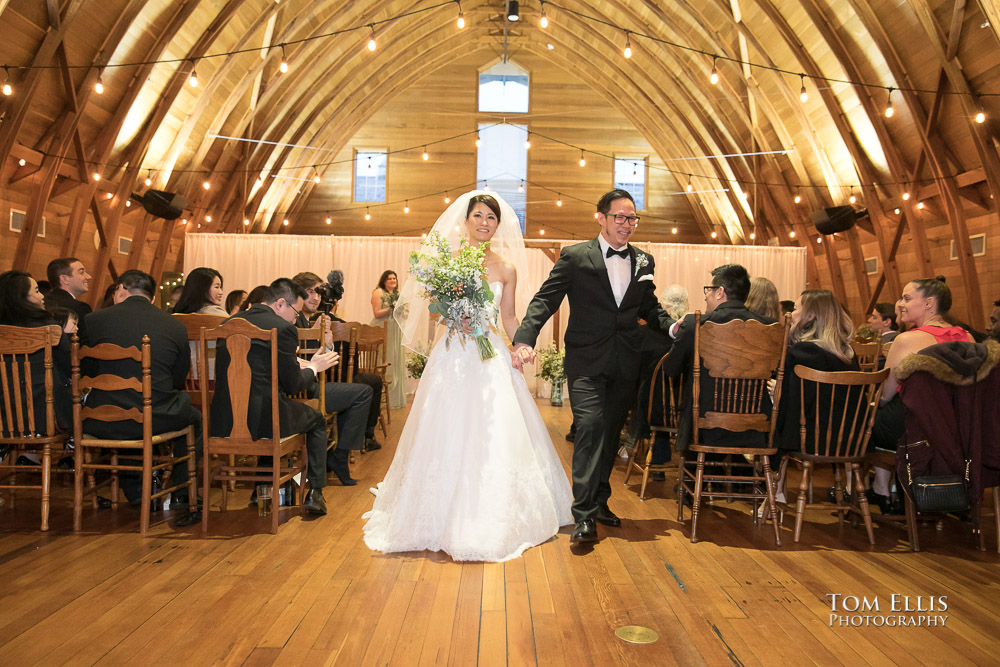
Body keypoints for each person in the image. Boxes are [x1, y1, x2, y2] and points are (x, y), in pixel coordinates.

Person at [364, 191, 573, 561]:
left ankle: (496, 510)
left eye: (491, 217)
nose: (484, 222)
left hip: (490, 356)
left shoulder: (507, 268)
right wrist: (451, 317)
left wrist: (519, 345)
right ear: (465, 221)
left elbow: (508, 316)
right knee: (445, 429)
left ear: (498, 225)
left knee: (493, 432)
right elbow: (433, 312)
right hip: (453, 355)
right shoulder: (447, 262)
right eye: (478, 215)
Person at [512, 188, 675, 545]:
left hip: (625, 361)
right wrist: (525, 338)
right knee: (588, 426)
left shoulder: (644, 261)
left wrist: (671, 325)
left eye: (632, 218)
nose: (627, 224)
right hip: (586, 359)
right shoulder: (574, 257)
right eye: (620, 217)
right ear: (600, 217)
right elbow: (545, 300)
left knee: (611, 432)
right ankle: (583, 514)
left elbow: (649, 306)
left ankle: (600, 501)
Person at [211, 279, 373, 515]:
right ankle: (315, 493)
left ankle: (262, 488)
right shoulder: (282, 328)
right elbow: (293, 384)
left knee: (273, 406)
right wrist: (314, 367)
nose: (295, 319)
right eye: (295, 312)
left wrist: (297, 362)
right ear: (279, 304)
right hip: (268, 421)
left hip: (223, 420)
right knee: (316, 419)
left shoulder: (227, 324)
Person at [81, 270, 202, 526]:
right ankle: (182, 491)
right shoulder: (175, 326)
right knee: (195, 419)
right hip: (154, 417)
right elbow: (177, 380)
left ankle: (136, 492)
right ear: (153, 295)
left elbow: (87, 370)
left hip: (99, 420)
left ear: (121, 289)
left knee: (123, 408)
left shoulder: (93, 320)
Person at [868, 278, 975, 512]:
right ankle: (889, 488)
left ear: (929, 303)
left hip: (914, 429)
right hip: (958, 430)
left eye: (906, 298)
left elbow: (885, 395)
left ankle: (880, 490)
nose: (900, 305)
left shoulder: (906, 340)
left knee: (860, 423)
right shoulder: (969, 338)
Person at [662, 264, 777, 452]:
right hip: (755, 427)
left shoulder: (694, 324)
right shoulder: (771, 328)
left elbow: (670, 369)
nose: (705, 296)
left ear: (720, 292)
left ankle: (695, 478)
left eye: (708, 290)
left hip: (704, 427)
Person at [773, 290, 860, 500]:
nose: (791, 314)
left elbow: (791, 406)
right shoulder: (848, 353)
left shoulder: (800, 352)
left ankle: (775, 494)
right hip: (849, 440)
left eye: (796, 308)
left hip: (807, 439)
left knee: (772, 418)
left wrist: (776, 391)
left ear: (810, 316)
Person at [292, 271, 384, 451]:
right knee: (362, 391)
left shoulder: (306, 319)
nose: (315, 297)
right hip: (302, 388)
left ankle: (343, 449)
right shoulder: (293, 320)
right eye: (309, 291)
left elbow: (316, 358)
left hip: (315, 380)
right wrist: (313, 335)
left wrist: (327, 344)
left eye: (318, 292)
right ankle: (341, 452)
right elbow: (296, 359)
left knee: (365, 386)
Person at [0, 270, 72, 435]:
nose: (42, 297)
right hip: (44, 415)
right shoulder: (49, 328)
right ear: (22, 297)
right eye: (37, 291)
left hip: (5, 415)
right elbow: (70, 367)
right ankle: (72, 446)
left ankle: (27, 455)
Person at [629, 284, 688, 482]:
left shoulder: (644, 335)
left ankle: (635, 448)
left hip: (650, 410)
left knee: (642, 391)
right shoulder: (690, 335)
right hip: (685, 411)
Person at [370, 270, 405, 410]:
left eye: (394, 278)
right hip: (383, 329)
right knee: (385, 359)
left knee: (396, 359)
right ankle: (382, 397)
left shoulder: (397, 294)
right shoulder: (378, 292)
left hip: (395, 330)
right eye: (390, 278)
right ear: (384, 280)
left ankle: (395, 399)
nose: (392, 281)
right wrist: (391, 308)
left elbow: (404, 313)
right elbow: (377, 313)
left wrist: (401, 309)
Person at [45, 257, 93, 338]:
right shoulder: (80, 308)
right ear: (64, 279)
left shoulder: (41, 302)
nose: (88, 276)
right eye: (81, 272)